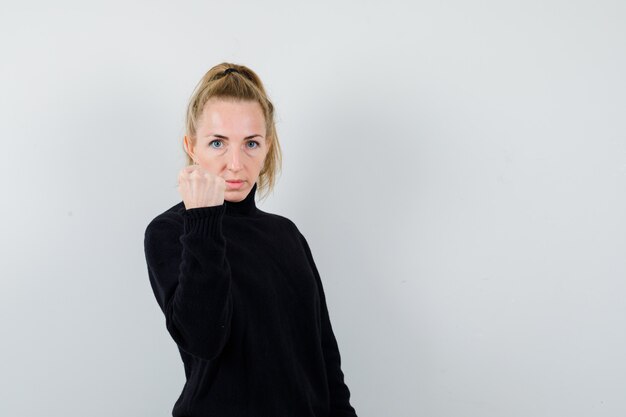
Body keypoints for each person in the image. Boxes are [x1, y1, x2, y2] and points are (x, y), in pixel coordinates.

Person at [143, 62, 358, 417]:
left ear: (267, 147)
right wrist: (202, 219)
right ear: (191, 147)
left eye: (251, 143)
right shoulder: (171, 231)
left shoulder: (286, 234)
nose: (235, 163)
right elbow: (204, 339)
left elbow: (324, 359)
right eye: (217, 143)